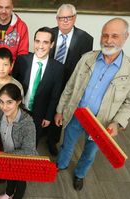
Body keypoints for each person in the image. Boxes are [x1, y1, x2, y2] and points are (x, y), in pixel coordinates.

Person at [55, 18, 130, 191]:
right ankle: (61, 165)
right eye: (105, 35)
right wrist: (59, 110)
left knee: (90, 152)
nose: (108, 40)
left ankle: (79, 174)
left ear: (126, 37)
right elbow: (70, 86)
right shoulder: (87, 58)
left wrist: (117, 123)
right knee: (67, 143)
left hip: (102, 123)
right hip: (77, 114)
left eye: (114, 36)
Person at [48, 4, 94, 155]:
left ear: (74, 18)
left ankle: (52, 140)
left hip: (69, 83)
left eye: (69, 17)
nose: (65, 21)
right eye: (62, 18)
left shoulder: (85, 38)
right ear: (57, 19)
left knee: (60, 111)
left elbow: (84, 66)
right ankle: (42, 132)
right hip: (49, 79)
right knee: (46, 106)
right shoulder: (49, 34)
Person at [13, 27, 64, 148]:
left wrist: (48, 116)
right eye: (37, 41)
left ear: (52, 44)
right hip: (19, 109)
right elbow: (13, 85)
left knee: (31, 142)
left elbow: (54, 96)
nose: (40, 46)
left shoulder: (58, 68)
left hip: (39, 114)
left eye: (45, 42)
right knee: (14, 139)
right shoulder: (22, 60)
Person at [0, 83, 37, 199]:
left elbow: (29, 151)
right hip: (6, 157)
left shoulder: (27, 123)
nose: (4, 107)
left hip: (21, 161)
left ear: (18, 102)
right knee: (9, 175)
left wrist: (4, 155)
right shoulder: (0, 114)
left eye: (9, 102)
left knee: (20, 179)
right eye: (1, 102)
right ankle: (8, 193)